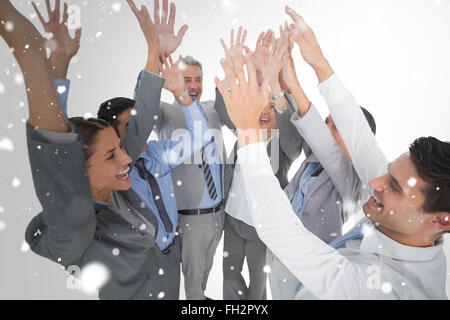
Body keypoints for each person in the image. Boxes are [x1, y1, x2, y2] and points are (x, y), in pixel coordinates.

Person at [214, 5, 450, 299]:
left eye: (395, 187)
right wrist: (314, 65)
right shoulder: (402, 219)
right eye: (388, 174)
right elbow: (357, 143)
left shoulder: (382, 290)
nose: (376, 183)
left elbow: (283, 231)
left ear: (442, 220)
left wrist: (249, 129)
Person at [0, 0, 185, 300]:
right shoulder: (76, 228)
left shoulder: (113, 182)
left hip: (170, 276)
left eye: (119, 148)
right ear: (76, 171)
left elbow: (138, 127)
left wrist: (154, 50)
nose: (127, 157)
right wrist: (31, 54)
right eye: (112, 155)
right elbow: (57, 159)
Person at [266, 23, 377, 299]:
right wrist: (278, 78)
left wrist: (293, 82)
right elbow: (297, 124)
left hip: (310, 269)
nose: (327, 130)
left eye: (335, 126)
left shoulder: (355, 184)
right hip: (278, 257)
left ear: (354, 142)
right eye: (327, 122)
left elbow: (328, 149)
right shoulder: (312, 159)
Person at [218, 28, 304, 300]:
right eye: (261, 105)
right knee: (230, 277)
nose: (265, 112)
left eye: (272, 107)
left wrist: (277, 88)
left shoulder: (285, 145)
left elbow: (293, 134)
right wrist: (243, 69)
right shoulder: (244, 131)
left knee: (258, 284)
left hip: (260, 227)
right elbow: (224, 108)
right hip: (232, 219)